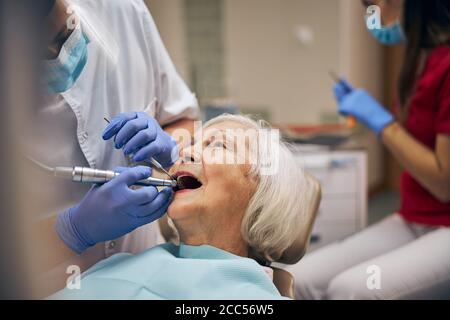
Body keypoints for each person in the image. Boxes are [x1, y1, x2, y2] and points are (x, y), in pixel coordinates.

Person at [32, 0, 198, 294]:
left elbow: (184, 118)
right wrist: (70, 230)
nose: (58, 57)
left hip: (150, 274)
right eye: (35, 52)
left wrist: (173, 146)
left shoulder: (122, 11)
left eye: (62, 37)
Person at [48, 114, 310, 299]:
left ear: (262, 190)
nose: (184, 153)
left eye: (218, 145)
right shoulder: (123, 263)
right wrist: (73, 230)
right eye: (192, 144)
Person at [288, 0, 450, 299]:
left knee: (352, 290)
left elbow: (444, 184)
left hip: (445, 224)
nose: (370, 17)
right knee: (297, 280)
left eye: (371, 5)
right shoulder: (418, 59)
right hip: (414, 217)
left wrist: (381, 123)